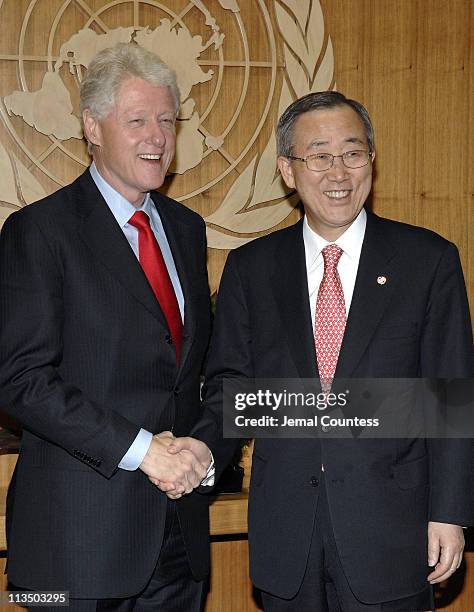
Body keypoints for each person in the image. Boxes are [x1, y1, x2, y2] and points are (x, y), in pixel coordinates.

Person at [185, 91, 474, 610]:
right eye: (319, 156)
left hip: (391, 529)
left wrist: (449, 514)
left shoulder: (427, 261)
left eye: (353, 152)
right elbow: (230, 385)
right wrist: (204, 451)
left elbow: (451, 397)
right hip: (285, 533)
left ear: (371, 160)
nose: (338, 171)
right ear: (288, 171)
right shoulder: (251, 269)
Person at [0, 43, 213, 611]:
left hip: (178, 542)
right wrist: (144, 451)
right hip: (75, 546)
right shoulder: (40, 231)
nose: (157, 137)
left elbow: (193, 373)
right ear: (93, 128)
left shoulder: (187, 230)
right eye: (137, 120)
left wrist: (201, 452)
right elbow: (19, 379)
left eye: (167, 120)